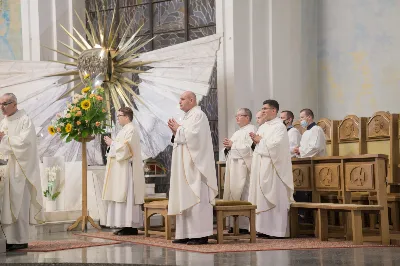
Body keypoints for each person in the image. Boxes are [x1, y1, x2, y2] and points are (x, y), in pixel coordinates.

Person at [167, 91, 218, 245]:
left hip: (196, 167)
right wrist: (176, 131)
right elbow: (184, 137)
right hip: (185, 166)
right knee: (185, 198)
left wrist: (179, 130)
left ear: (191, 100)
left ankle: (200, 234)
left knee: (197, 199)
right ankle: (185, 234)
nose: (180, 102)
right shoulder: (188, 117)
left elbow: (195, 137)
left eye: (182, 99)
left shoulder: (198, 115)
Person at [0, 93, 44, 251]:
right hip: (6, 170)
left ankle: (20, 239)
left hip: (21, 169)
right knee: (6, 205)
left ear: (14, 104)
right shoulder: (3, 122)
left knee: (20, 204)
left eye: (5, 103)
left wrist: (5, 140)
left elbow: (26, 143)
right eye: (0, 104)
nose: (2, 107)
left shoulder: (25, 120)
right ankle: (8, 239)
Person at [248, 99, 294, 238]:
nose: (262, 111)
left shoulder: (279, 127)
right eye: (262, 108)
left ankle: (276, 231)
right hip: (261, 167)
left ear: (274, 111)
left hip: (274, 168)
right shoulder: (263, 127)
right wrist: (256, 141)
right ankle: (262, 229)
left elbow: (276, 147)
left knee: (274, 195)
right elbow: (258, 146)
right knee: (261, 197)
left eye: (265, 108)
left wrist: (259, 141)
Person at [102, 107, 145, 235]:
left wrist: (112, 143)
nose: (118, 119)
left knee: (127, 196)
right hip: (121, 169)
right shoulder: (124, 130)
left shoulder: (131, 129)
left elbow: (126, 149)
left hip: (127, 170)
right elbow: (119, 148)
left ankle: (131, 226)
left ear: (126, 117)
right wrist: (112, 145)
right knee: (120, 196)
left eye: (119, 116)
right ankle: (123, 225)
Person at [222, 108, 256, 233]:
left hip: (243, 170)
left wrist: (233, 146)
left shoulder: (252, 130)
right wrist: (227, 147)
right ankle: (233, 225)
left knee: (243, 194)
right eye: (236, 116)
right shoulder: (237, 133)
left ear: (247, 117)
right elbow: (231, 149)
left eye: (239, 116)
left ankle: (243, 226)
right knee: (233, 194)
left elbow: (249, 150)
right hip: (234, 168)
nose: (237, 118)